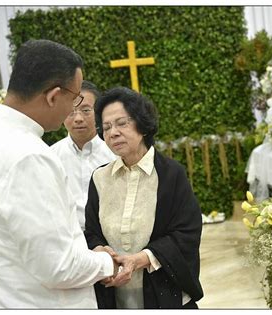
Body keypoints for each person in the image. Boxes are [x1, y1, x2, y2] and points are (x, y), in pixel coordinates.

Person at [0, 39, 117, 309]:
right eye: (74, 98)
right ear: (54, 96)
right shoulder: (27, 155)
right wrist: (107, 263)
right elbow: (58, 266)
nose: (74, 111)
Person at [84, 87, 204, 309]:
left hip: (161, 292)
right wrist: (100, 250)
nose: (113, 133)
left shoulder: (170, 174)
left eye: (122, 123)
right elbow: (91, 231)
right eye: (107, 127)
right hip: (113, 293)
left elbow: (187, 231)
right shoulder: (99, 178)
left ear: (142, 124)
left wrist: (141, 259)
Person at [51, 80, 116, 230]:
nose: (78, 118)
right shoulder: (51, 156)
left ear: (99, 112)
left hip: (109, 237)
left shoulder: (115, 153)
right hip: (67, 237)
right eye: (71, 111)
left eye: (86, 110)